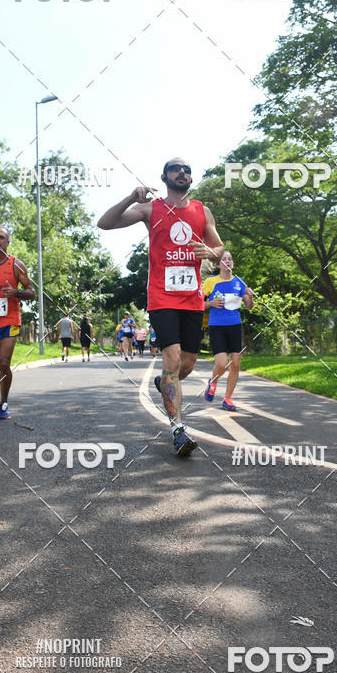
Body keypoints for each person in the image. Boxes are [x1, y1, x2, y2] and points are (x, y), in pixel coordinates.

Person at [98, 157, 224, 457]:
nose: (183, 172)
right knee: (172, 357)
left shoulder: (201, 211)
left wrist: (211, 251)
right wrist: (131, 196)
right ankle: (179, 429)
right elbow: (105, 223)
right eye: (176, 169)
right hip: (162, 297)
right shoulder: (151, 208)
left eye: (187, 170)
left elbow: (220, 250)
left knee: (187, 365)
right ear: (165, 176)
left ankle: (164, 383)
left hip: (192, 299)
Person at [0, 226, 35, 419]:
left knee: (4, 363)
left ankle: (3, 403)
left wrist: (17, 292)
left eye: (1, 237)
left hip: (9, 321)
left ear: (7, 242)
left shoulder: (16, 265)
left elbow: (32, 292)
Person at [203, 250, 254, 410]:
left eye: (230, 259)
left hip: (234, 325)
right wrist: (210, 304)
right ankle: (213, 382)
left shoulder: (239, 282)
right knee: (222, 363)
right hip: (216, 326)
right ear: (219, 264)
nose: (227, 261)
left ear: (232, 263)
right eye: (224, 259)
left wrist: (250, 296)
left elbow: (249, 306)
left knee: (236, 364)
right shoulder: (210, 282)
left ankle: (228, 399)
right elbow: (196, 304)